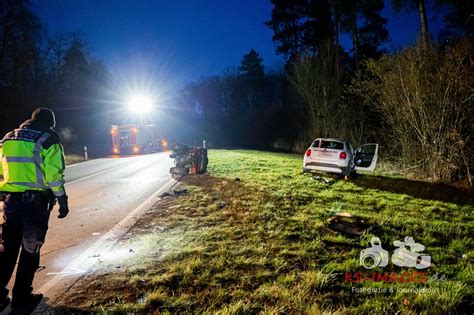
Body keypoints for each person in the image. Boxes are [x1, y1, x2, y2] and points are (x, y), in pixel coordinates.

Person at [0, 108, 69, 310]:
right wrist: (62, 200)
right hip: (35, 204)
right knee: (30, 250)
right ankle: (22, 296)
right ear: (50, 123)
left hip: (11, 202)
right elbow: (53, 176)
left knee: (7, 249)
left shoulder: (8, 138)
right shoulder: (48, 139)